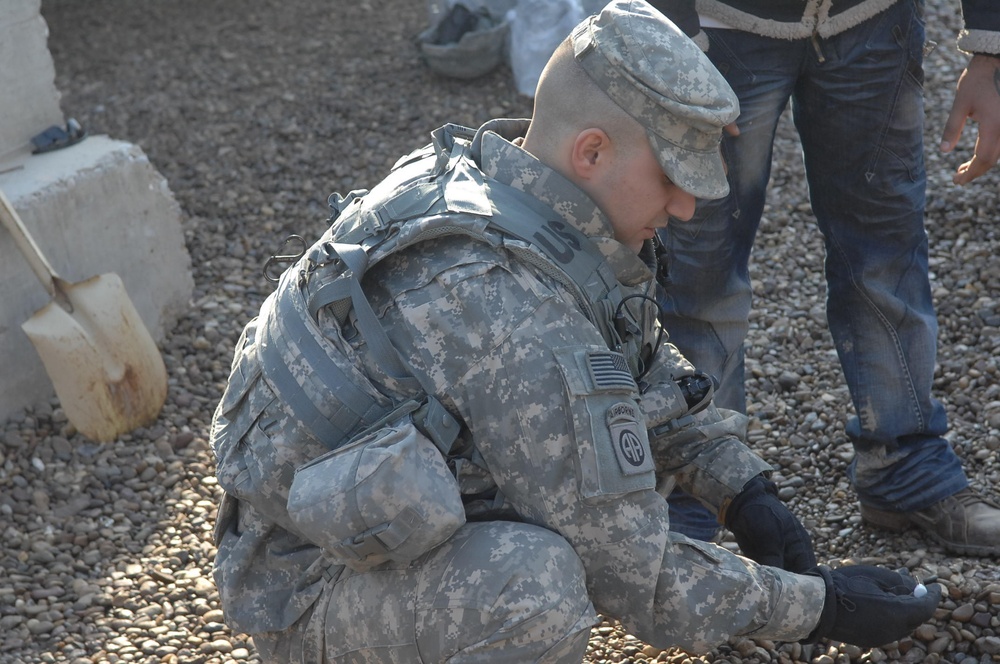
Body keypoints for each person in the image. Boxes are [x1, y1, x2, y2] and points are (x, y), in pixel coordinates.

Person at [209, 1, 940, 660]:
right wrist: (825, 607)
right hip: (309, 583)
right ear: (591, 151)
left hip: (365, 518)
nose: (687, 208)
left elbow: (634, 359)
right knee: (534, 590)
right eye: (673, 176)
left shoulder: (499, 189)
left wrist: (741, 487)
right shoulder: (506, 306)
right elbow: (637, 575)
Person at [650, 0, 1000, 553]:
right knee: (696, 269)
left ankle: (903, 462)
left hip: (873, 19)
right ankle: (691, 486)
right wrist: (671, 29)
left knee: (887, 255)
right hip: (722, 26)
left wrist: (990, 43)